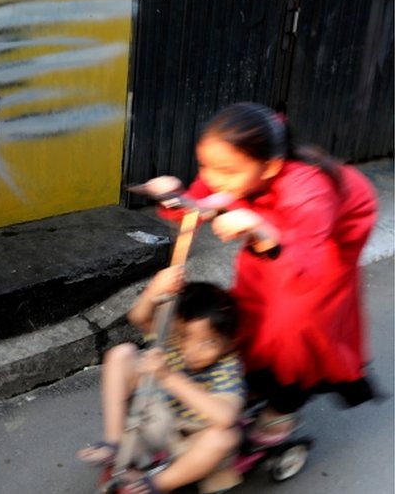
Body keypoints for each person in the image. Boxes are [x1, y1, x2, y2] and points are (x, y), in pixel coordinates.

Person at [146, 101, 378, 446]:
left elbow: (309, 265)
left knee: (297, 325)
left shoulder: (309, 190)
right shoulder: (234, 166)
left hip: (325, 242)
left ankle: (283, 406)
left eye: (224, 170)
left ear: (269, 167)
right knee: (252, 304)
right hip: (275, 233)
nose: (211, 178)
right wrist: (172, 197)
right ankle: (254, 381)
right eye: (204, 164)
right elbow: (199, 202)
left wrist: (263, 230)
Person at [77, 267, 245, 494]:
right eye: (187, 337)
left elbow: (226, 417)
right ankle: (115, 442)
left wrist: (168, 377)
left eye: (209, 343)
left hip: (192, 442)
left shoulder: (228, 367)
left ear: (229, 344)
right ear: (178, 326)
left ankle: (156, 484)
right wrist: (155, 290)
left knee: (224, 438)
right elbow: (138, 317)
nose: (193, 350)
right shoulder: (176, 339)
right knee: (122, 354)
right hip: (160, 423)